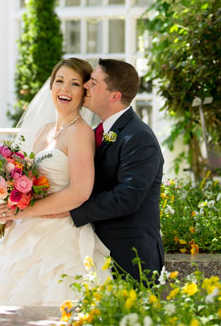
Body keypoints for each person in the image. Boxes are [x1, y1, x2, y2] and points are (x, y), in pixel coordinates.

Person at [0, 58, 111, 306]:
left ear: (84, 93)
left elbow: (81, 192)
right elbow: (30, 185)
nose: (65, 89)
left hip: (61, 233)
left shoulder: (80, 132)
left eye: (74, 83)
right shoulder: (44, 131)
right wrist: (7, 211)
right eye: (59, 81)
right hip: (28, 229)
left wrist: (23, 211)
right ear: (50, 87)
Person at [69, 59, 164, 283]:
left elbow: (126, 198)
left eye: (93, 83)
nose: (85, 87)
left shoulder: (139, 137)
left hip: (131, 257)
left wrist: (70, 212)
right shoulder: (94, 133)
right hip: (97, 254)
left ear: (115, 96)